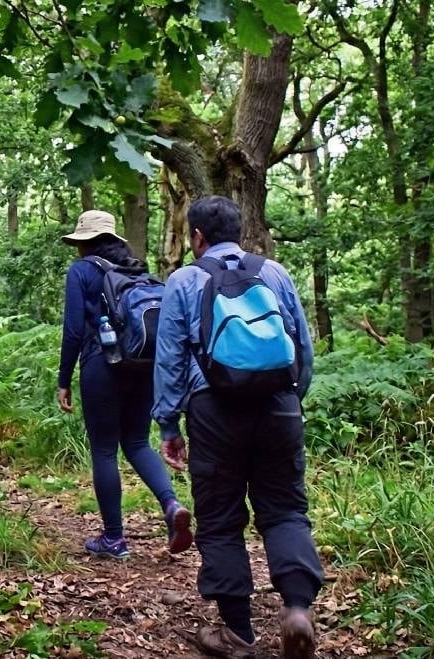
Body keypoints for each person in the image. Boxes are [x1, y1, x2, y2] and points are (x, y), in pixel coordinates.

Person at [153, 196, 322, 659]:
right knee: (285, 508)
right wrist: (291, 401)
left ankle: (238, 633)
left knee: (222, 519)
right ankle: (297, 610)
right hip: (279, 403)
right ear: (239, 232)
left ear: (197, 237)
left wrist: (169, 424)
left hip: (214, 409)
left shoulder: (185, 280)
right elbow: (301, 347)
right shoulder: (275, 273)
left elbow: (169, 357)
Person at [56, 210, 193, 559]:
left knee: (104, 449)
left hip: (102, 366)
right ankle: (171, 505)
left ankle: (114, 539)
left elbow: (73, 331)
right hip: (142, 365)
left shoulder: (82, 271)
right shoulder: (136, 270)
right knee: (136, 441)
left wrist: (64, 380)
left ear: (84, 243)